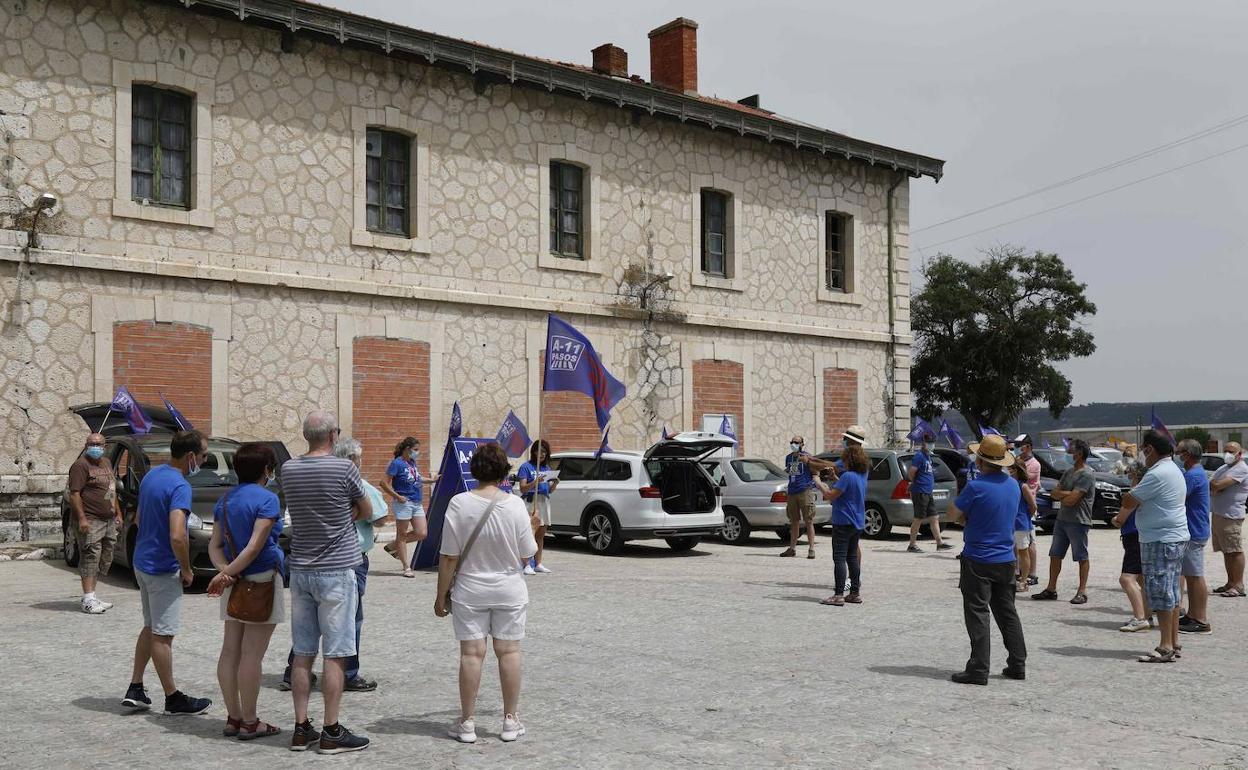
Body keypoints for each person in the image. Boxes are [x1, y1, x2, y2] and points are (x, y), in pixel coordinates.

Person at [435, 443, 537, 744]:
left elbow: (449, 556)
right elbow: (527, 555)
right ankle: (510, 719)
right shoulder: (515, 505)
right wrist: (532, 527)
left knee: (471, 654)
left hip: (470, 588)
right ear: (504, 471)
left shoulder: (459, 503)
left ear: (474, 469)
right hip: (509, 587)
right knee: (509, 652)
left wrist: (440, 595)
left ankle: (467, 722)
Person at [283, 410, 372, 754]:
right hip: (337, 568)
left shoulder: (288, 469)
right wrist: (346, 515)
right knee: (335, 653)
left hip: (301, 568)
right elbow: (366, 510)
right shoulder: (344, 468)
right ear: (333, 435)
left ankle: (300, 727)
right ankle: (331, 730)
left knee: (303, 652)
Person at [279, 437, 390, 694]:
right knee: (349, 620)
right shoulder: (357, 484)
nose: (360, 462)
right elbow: (379, 517)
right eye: (358, 458)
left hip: (308, 560)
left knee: (308, 624)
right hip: (348, 559)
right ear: (351, 460)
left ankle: (293, 671)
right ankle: (348, 673)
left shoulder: (305, 478)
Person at [121, 429, 213, 715]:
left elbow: (138, 518)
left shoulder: (153, 475)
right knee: (163, 634)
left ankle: (136, 687)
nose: (205, 460)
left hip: (142, 562)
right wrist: (186, 568)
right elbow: (177, 534)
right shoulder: (180, 486)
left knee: (151, 626)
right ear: (190, 456)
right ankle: (173, 697)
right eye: (204, 455)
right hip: (162, 568)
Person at [206, 443, 284, 741]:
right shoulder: (267, 499)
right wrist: (228, 573)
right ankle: (251, 721)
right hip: (261, 578)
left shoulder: (225, 500)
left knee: (230, 650)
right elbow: (254, 546)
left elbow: (214, 545)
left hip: (233, 581)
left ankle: (234, 716)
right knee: (252, 654)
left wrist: (225, 572)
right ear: (266, 469)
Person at [948, 434, 1026, 685]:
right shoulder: (1013, 485)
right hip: (1006, 558)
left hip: (978, 558)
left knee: (978, 613)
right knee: (1007, 612)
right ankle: (1017, 663)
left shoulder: (975, 487)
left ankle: (979, 668)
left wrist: (967, 519)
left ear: (980, 461)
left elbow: (953, 514)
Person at [1113, 430, 1188, 663]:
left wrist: (1131, 487)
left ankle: (1165, 646)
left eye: (1144, 450)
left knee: (1161, 592)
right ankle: (1173, 642)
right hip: (1172, 537)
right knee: (1171, 592)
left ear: (1150, 449)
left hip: (1160, 539)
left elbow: (1129, 500)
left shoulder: (1156, 473)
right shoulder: (1172, 469)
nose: (1143, 455)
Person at [1034, 439, 1095, 604]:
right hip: (1062, 520)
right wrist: (1068, 493)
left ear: (1079, 454)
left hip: (1078, 521)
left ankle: (1082, 592)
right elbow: (1054, 493)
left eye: (1070, 452)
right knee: (1055, 555)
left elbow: (1072, 500)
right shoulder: (1068, 472)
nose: (1067, 454)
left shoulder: (1086, 474)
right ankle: (1051, 589)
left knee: (1081, 556)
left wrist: (1065, 494)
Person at [68, 432, 121, 614]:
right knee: (90, 555)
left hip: (108, 519)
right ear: (86, 445)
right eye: (92, 443)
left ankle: (92, 595)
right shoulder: (80, 465)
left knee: (104, 556)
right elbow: (74, 494)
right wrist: (82, 518)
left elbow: (111, 490)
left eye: (99, 444)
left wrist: (118, 512)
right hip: (91, 519)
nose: (95, 447)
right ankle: (88, 599)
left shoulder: (106, 463)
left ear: (105, 447)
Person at [819, 443, 869, 606]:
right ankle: (854, 593)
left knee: (839, 558)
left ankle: (838, 594)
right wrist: (835, 478)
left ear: (849, 460)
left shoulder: (847, 476)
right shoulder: (861, 475)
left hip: (843, 521)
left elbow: (830, 495)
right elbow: (847, 489)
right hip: (857, 522)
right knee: (852, 558)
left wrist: (818, 483)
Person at [781, 434, 838, 559]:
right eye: (792, 442)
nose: (794, 444)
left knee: (808, 520)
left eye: (796, 442)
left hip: (805, 490)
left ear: (802, 444)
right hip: (792, 491)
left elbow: (817, 469)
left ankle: (811, 548)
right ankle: (792, 548)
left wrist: (810, 464)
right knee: (794, 521)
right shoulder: (788, 458)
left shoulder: (807, 456)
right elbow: (789, 471)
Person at [380, 437, 430, 579]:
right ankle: (406, 566)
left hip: (416, 502)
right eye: (415, 450)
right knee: (401, 535)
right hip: (403, 503)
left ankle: (392, 546)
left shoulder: (412, 462)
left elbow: (417, 478)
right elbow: (383, 483)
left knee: (422, 533)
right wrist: (397, 496)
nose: (417, 452)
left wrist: (432, 480)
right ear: (407, 449)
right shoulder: (397, 463)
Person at [1176, 439, 1212, 634]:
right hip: (1194, 529)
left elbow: (1177, 496)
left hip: (1194, 531)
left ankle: (1200, 619)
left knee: (1195, 576)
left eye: (1179, 452)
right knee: (1191, 575)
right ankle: (1192, 614)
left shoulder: (1193, 475)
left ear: (1187, 455)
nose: (1177, 455)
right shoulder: (1194, 473)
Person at [1114, 460, 1152, 633]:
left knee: (1127, 578)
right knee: (1141, 579)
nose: (1128, 477)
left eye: (1130, 474)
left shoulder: (1136, 492)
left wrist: (1114, 519)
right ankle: (1147, 615)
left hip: (1134, 537)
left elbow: (1120, 518)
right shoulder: (1148, 491)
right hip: (1142, 536)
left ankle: (1140, 618)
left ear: (1135, 475)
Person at [1209, 442, 1248, 598]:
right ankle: (1230, 582)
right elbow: (1211, 484)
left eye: (1231, 451)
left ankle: (1238, 585)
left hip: (1231, 516)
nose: (1227, 454)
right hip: (1219, 514)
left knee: (1234, 551)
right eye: (1225, 451)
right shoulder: (1223, 468)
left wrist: (1217, 486)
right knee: (1227, 551)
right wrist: (1216, 486)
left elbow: (1217, 485)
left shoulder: (1241, 468)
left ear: (1240, 453)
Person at [517, 439, 558, 575]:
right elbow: (522, 488)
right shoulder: (526, 467)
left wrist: (555, 484)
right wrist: (534, 482)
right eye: (539, 451)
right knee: (529, 533)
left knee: (540, 534)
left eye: (545, 452)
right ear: (534, 452)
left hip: (543, 501)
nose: (542, 454)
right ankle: (527, 563)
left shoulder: (547, 469)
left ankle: (538, 563)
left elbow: (549, 490)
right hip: (531, 501)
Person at [906, 433, 952, 553]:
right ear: (923, 443)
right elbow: (911, 472)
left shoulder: (928, 457)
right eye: (929, 442)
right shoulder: (919, 456)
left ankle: (939, 543)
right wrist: (915, 482)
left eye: (932, 442)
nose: (931, 444)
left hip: (928, 491)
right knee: (918, 518)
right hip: (920, 491)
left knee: (934, 517)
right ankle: (912, 545)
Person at [1014, 434, 1042, 586]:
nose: (1018, 448)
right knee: (1017, 544)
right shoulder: (1019, 460)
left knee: (1029, 543)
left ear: (1029, 447)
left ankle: (1032, 573)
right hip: (1018, 508)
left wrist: (1028, 515)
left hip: (1027, 507)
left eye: (1020, 445)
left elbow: (1023, 476)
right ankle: (1018, 571)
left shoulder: (1034, 464)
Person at [1006, 461, 1036, 594]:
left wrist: (1025, 517)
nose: (1008, 471)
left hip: (1021, 523)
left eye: (1010, 468)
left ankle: (1024, 580)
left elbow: (1033, 506)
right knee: (1010, 551)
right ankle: (1012, 577)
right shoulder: (1008, 484)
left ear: (1016, 470)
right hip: (1009, 522)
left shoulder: (1023, 486)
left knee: (1023, 551)